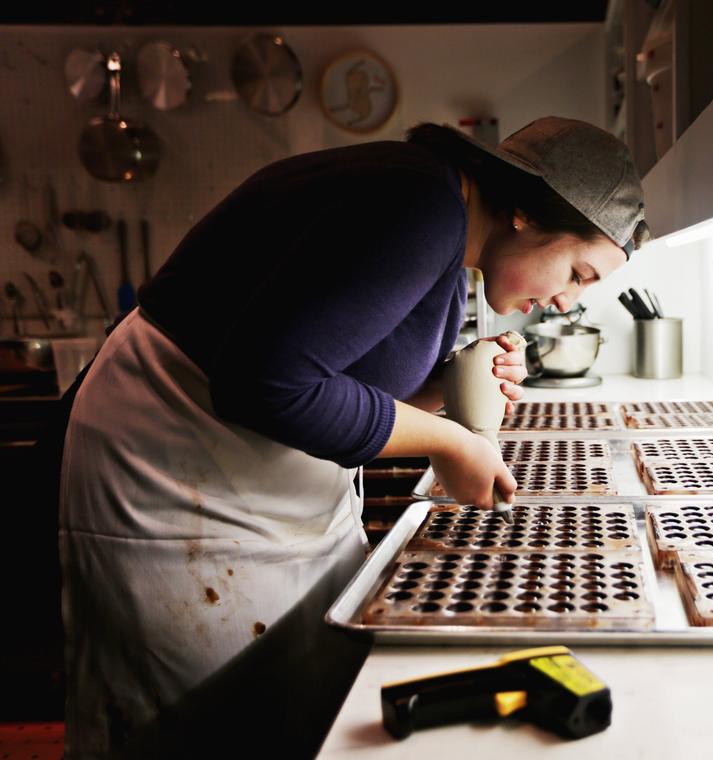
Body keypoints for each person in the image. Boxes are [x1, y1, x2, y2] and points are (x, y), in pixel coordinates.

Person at [56, 116, 649, 757]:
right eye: (579, 273)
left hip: (255, 483)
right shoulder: (418, 206)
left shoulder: (448, 233)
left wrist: (454, 383)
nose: (568, 301)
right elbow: (268, 384)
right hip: (173, 474)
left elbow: (340, 372)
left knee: (288, 713)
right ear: (528, 214)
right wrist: (452, 442)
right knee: (200, 730)